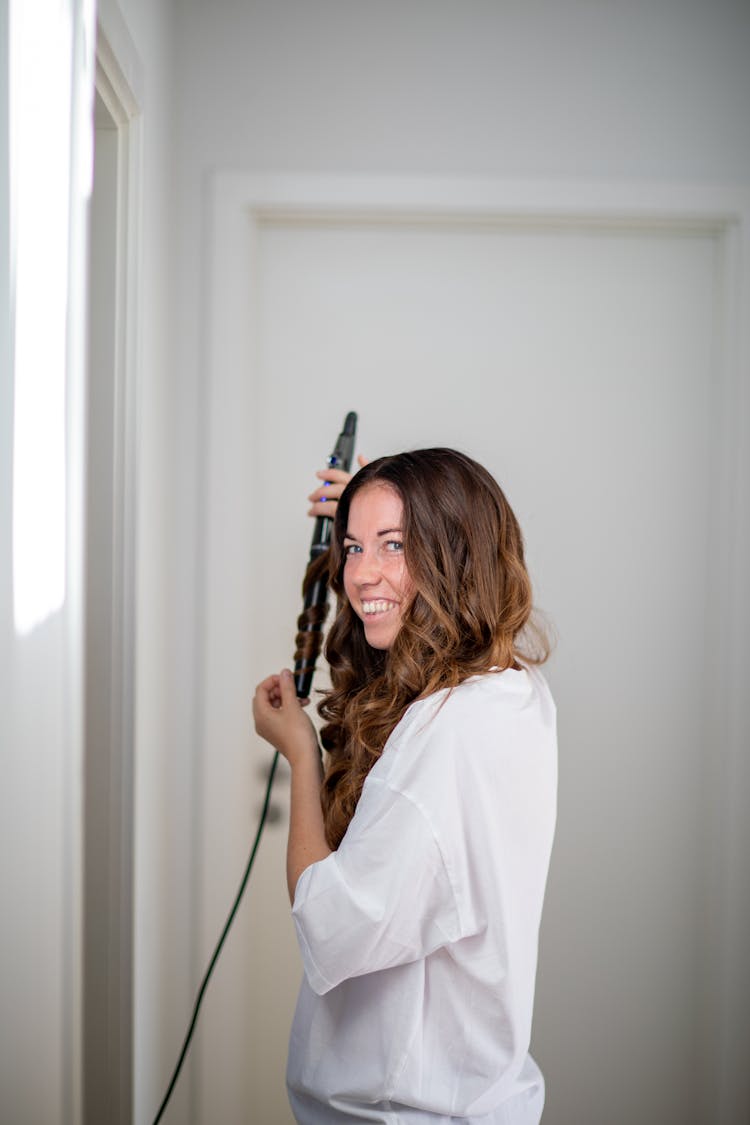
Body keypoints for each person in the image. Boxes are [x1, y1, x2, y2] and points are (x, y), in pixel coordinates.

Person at [253, 449, 557, 1125]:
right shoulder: (513, 692)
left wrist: (302, 753)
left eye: (395, 545)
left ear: (453, 551)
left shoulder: (445, 740)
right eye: (354, 547)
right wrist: (386, 503)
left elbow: (327, 929)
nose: (361, 573)